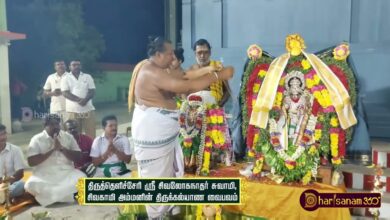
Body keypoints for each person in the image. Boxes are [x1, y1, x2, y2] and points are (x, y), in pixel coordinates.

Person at [128, 36, 234, 219]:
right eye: (170, 54)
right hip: (153, 134)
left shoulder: (159, 68)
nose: (172, 57)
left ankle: (166, 211)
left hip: (163, 135)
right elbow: (187, 85)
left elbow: (184, 76)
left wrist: (209, 70)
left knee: (170, 174)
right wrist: (219, 75)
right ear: (159, 54)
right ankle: (155, 216)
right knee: (157, 180)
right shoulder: (151, 72)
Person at [24, 114, 85, 207]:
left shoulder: (68, 137)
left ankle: (51, 197)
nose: (56, 127)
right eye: (52, 124)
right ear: (45, 126)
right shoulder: (36, 139)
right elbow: (31, 162)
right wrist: (52, 149)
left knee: (82, 178)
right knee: (29, 185)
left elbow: (78, 157)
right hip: (44, 176)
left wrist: (61, 149)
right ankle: (66, 195)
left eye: (57, 124)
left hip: (66, 174)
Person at [188, 39, 231, 107]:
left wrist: (217, 107)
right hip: (195, 113)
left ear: (210, 52)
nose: (202, 56)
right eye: (199, 53)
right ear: (195, 53)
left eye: (205, 52)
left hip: (214, 112)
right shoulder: (191, 70)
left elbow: (228, 92)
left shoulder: (218, 67)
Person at [61, 60, 96, 138]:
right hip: (72, 111)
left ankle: (91, 149)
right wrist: (79, 100)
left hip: (88, 109)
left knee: (91, 134)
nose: (76, 66)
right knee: (74, 134)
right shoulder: (65, 77)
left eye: (78, 65)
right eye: (74, 65)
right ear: (69, 67)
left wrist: (85, 100)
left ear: (81, 66)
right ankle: (76, 149)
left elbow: (92, 91)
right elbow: (65, 93)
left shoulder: (87, 76)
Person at [0, 124, 27, 203]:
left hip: (10, 184)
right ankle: (5, 198)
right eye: (0, 135)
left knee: (22, 185)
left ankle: (3, 197)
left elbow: (20, 173)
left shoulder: (15, 150)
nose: (3, 137)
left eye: (4, 134)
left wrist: (6, 182)